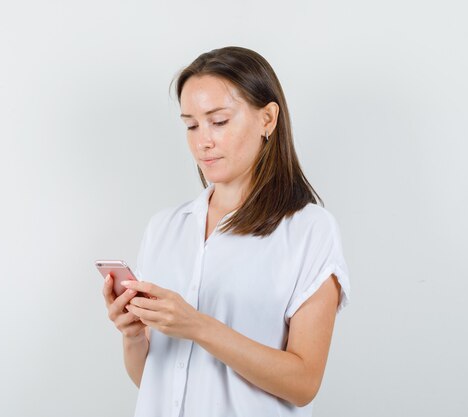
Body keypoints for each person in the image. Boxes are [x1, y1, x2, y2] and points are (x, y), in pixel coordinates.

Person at [101, 46, 351, 417]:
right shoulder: (165, 228)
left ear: (267, 119)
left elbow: (304, 384)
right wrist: (133, 335)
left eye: (218, 121)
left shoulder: (308, 230)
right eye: (191, 124)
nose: (203, 141)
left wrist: (198, 326)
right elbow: (152, 382)